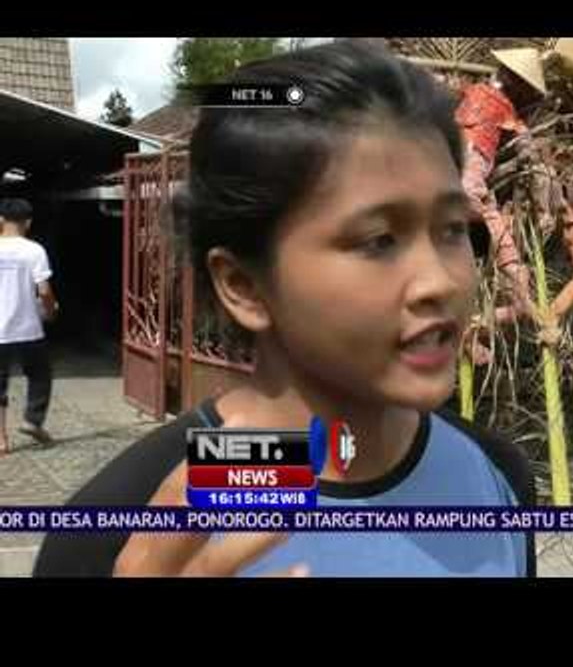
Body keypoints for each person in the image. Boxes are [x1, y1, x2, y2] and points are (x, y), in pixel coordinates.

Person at [33, 41, 537, 577]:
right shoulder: (121, 528)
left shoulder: (495, 477)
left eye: (453, 229)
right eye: (378, 239)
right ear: (243, 285)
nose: (438, 280)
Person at [0, 198, 58, 452]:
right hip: (28, 328)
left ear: (1, 220)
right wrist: (50, 310)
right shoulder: (35, 250)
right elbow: (44, 291)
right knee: (40, 374)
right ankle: (32, 420)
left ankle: (0, 440)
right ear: (28, 222)